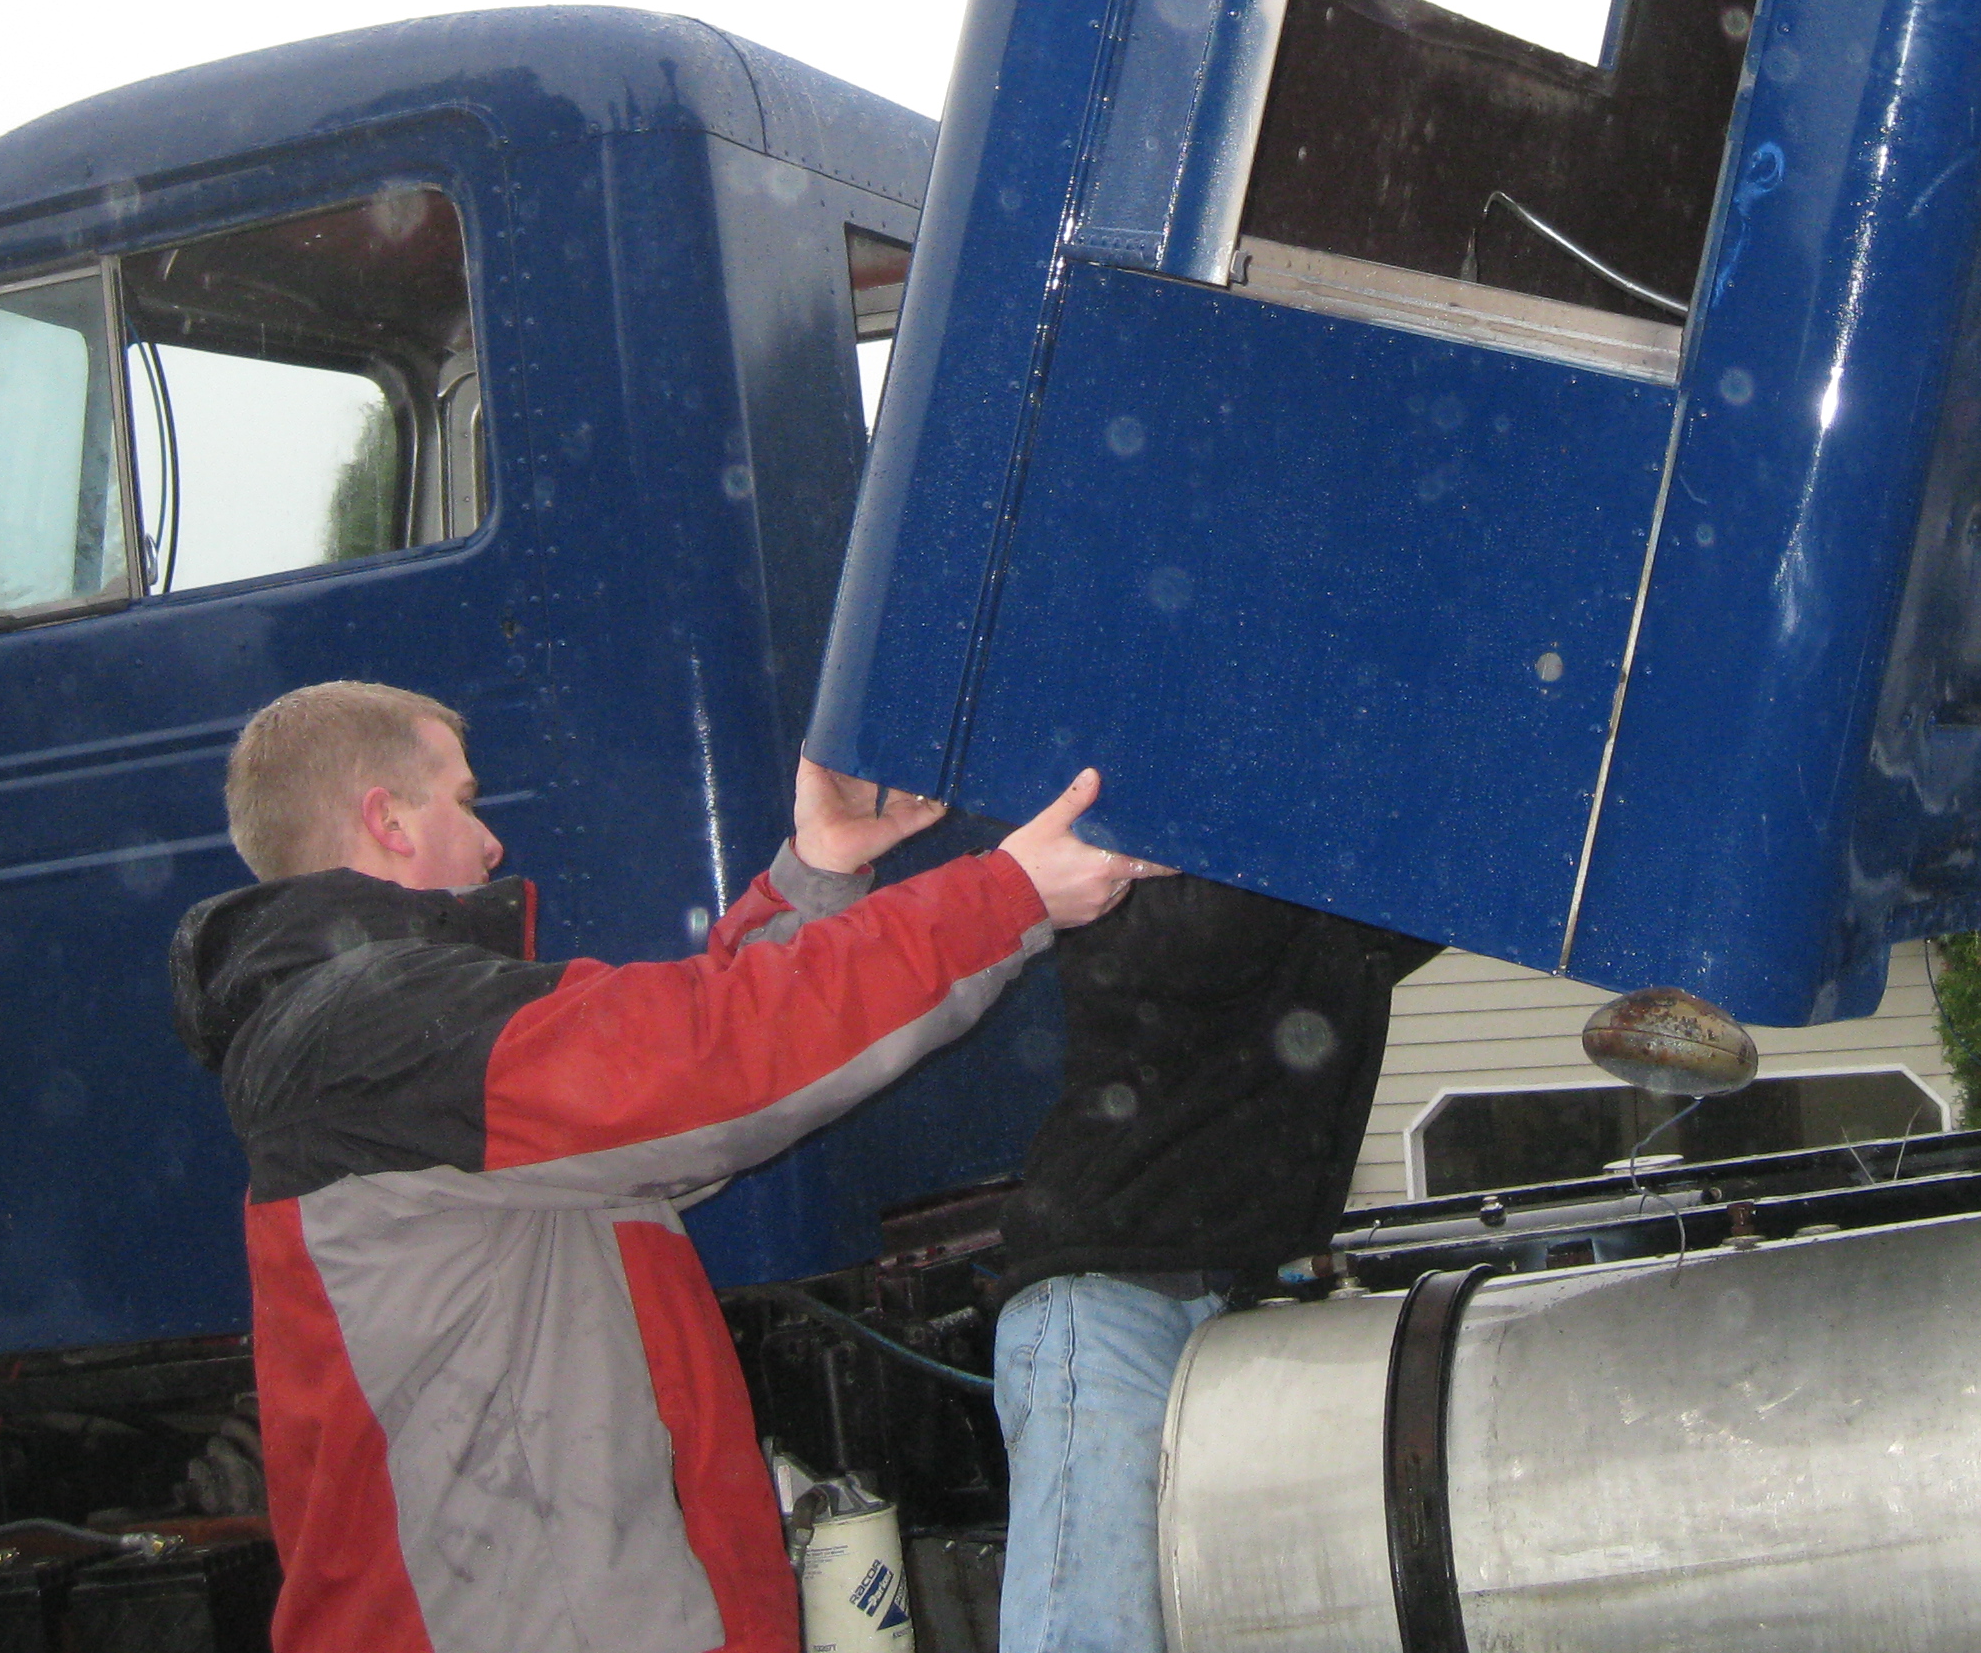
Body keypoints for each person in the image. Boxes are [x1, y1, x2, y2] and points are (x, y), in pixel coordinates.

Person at [170, 678, 1158, 1653]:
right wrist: (1002, 895)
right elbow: (707, 1064)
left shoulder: (376, 1038)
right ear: (386, 821)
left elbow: (680, 1100)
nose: (492, 842)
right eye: (465, 802)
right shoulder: (369, 1029)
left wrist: (816, 875)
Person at [990, 878, 1437, 1653]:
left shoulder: (1322, 899)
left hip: (1230, 1313)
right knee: (1091, 1636)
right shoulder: (1165, 883)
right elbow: (1198, 940)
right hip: (1110, 1308)